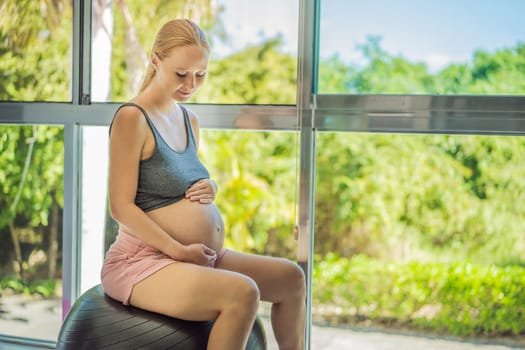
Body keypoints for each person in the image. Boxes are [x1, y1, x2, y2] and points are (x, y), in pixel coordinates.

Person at [100, 19, 306, 350]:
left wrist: (209, 186)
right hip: (142, 261)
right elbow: (120, 206)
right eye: (181, 74)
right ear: (156, 60)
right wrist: (179, 250)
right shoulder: (132, 118)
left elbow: (181, 180)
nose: (191, 84)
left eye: (201, 74)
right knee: (243, 293)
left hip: (198, 255)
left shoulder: (189, 120)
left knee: (292, 278)